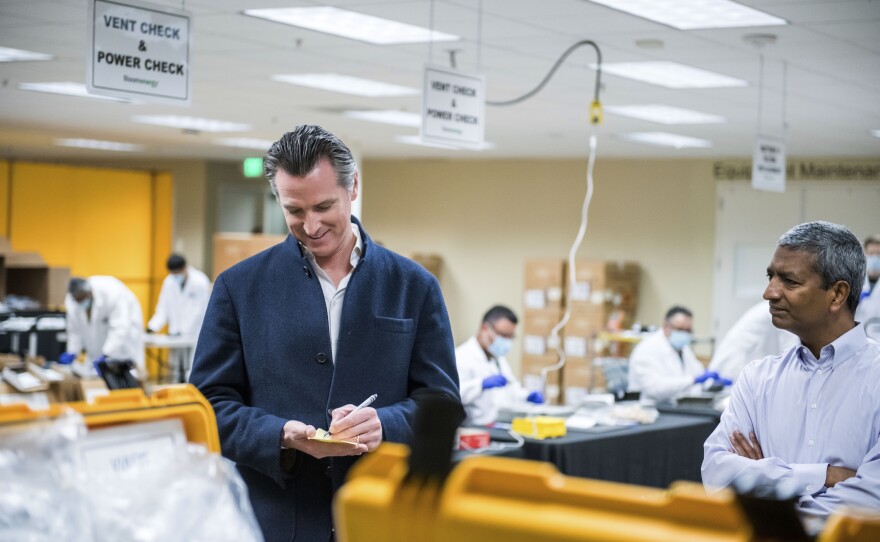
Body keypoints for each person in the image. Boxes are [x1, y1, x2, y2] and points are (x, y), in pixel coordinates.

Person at [189, 125, 461, 542]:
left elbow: (441, 403)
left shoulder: (414, 286)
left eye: (323, 206)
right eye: (294, 211)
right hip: (277, 522)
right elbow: (208, 405)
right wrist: (279, 435)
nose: (311, 225)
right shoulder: (238, 287)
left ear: (353, 188)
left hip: (382, 518)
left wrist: (385, 425)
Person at [702, 221, 880, 518]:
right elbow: (718, 474)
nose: (769, 293)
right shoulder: (757, 379)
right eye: (770, 277)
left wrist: (767, 485)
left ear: (837, 294)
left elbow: (872, 500)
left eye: (790, 281)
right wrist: (823, 476)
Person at [455, 305, 543, 425]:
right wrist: (480, 384)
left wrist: (526, 396)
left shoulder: (498, 358)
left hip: (496, 423)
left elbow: (511, 388)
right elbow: (452, 395)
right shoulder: (461, 356)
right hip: (471, 427)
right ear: (485, 328)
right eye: (503, 335)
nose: (507, 341)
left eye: (511, 337)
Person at [626, 305, 724, 403]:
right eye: (680, 329)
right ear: (666, 326)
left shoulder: (683, 349)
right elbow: (654, 388)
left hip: (676, 405)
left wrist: (713, 383)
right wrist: (693, 380)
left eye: (688, 330)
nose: (684, 334)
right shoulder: (646, 349)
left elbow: (698, 372)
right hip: (649, 406)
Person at [146, 253, 212, 383]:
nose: (176, 276)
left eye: (178, 272)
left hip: (195, 333)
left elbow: (199, 311)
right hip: (175, 335)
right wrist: (152, 327)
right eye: (173, 273)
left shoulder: (200, 281)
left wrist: (184, 331)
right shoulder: (169, 282)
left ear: (185, 268)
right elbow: (163, 308)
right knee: (175, 371)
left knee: (192, 369)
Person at [62, 276, 145, 373]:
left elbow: (119, 328)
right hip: (101, 341)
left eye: (81, 298)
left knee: (127, 371)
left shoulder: (112, 293)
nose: (79, 302)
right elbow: (74, 331)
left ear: (89, 292)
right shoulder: (72, 301)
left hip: (126, 333)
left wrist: (106, 354)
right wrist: (72, 351)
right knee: (98, 371)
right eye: (76, 299)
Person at [708, 300, 797, 382]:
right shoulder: (778, 310)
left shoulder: (770, 308)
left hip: (738, 353)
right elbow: (790, 347)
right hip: (735, 359)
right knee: (731, 383)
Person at [855, 234, 880, 328]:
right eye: (871, 254)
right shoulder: (854, 281)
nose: (875, 258)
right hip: (858, 332)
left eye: (878, 254)